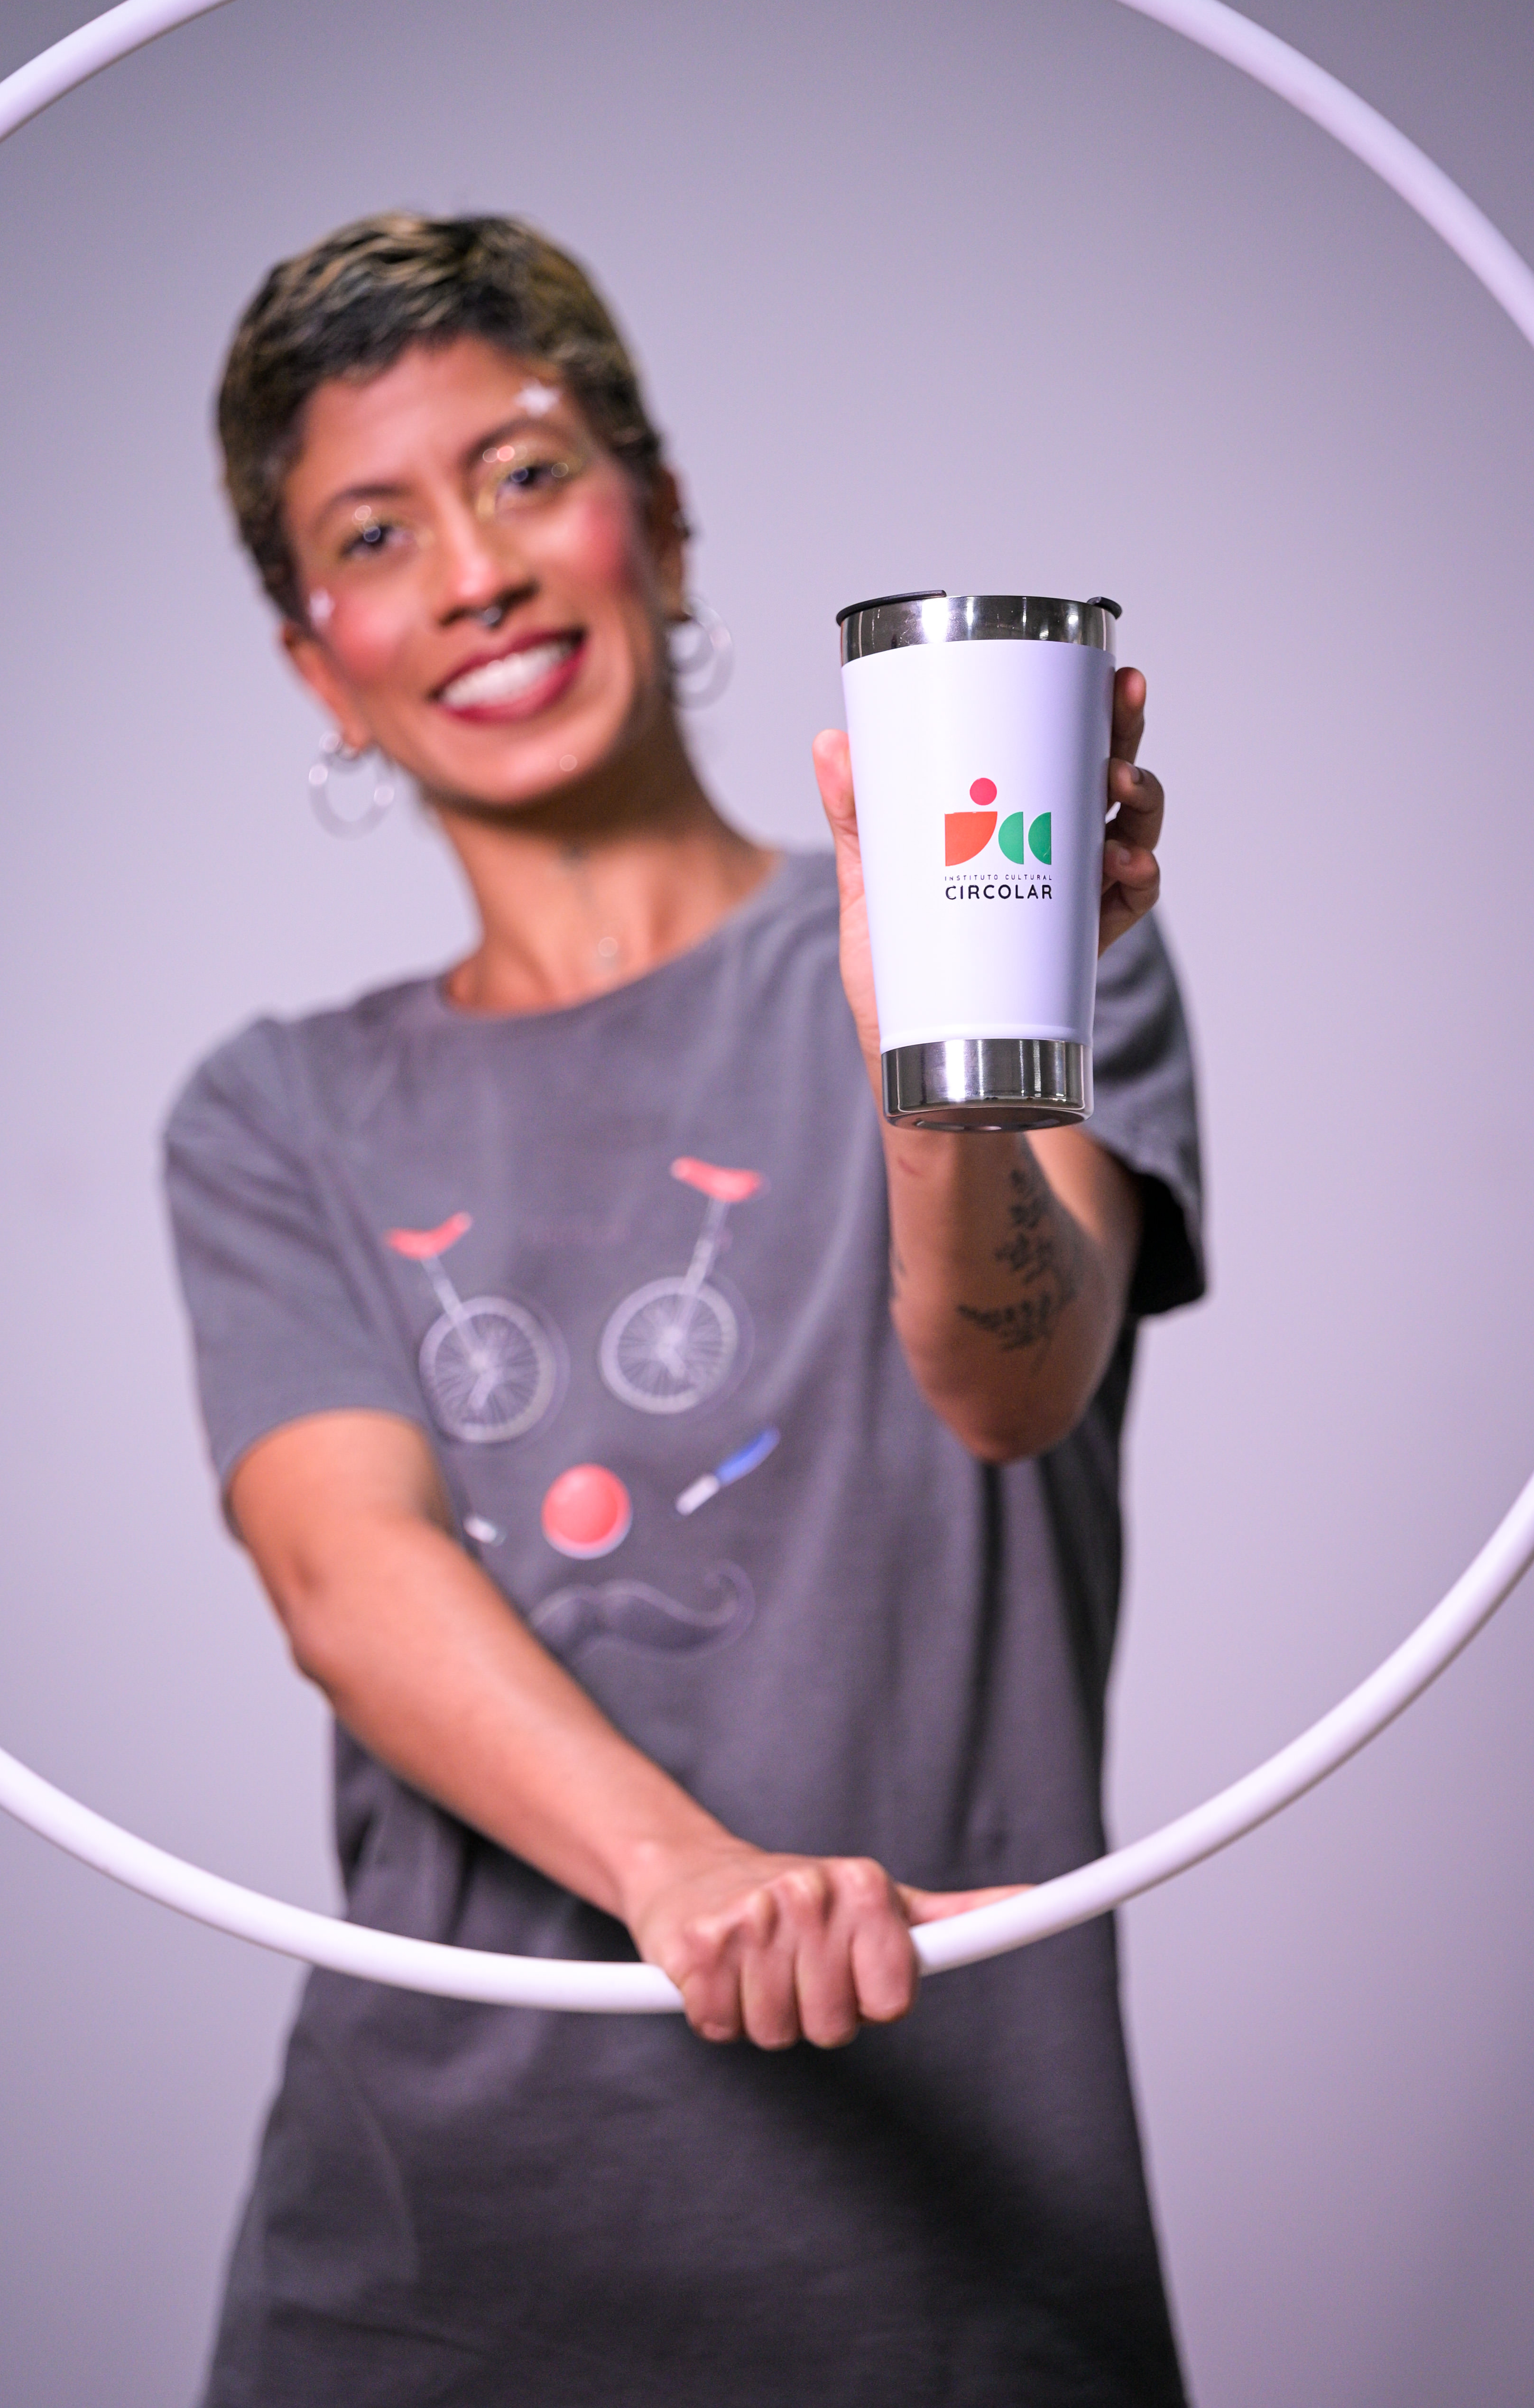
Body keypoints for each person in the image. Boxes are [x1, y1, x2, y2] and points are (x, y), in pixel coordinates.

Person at [165, 211, 1204, 2408]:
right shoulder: (276, 1113)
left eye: (528, 473)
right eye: (376, 533)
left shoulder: (993, 917)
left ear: (661, 514)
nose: (477, 573)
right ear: (319, 661)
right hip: (421, 2299)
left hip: (954, 2303)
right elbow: (348, 1572)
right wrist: (685, 1870)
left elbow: (1016, 1385)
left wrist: (932, 1057)